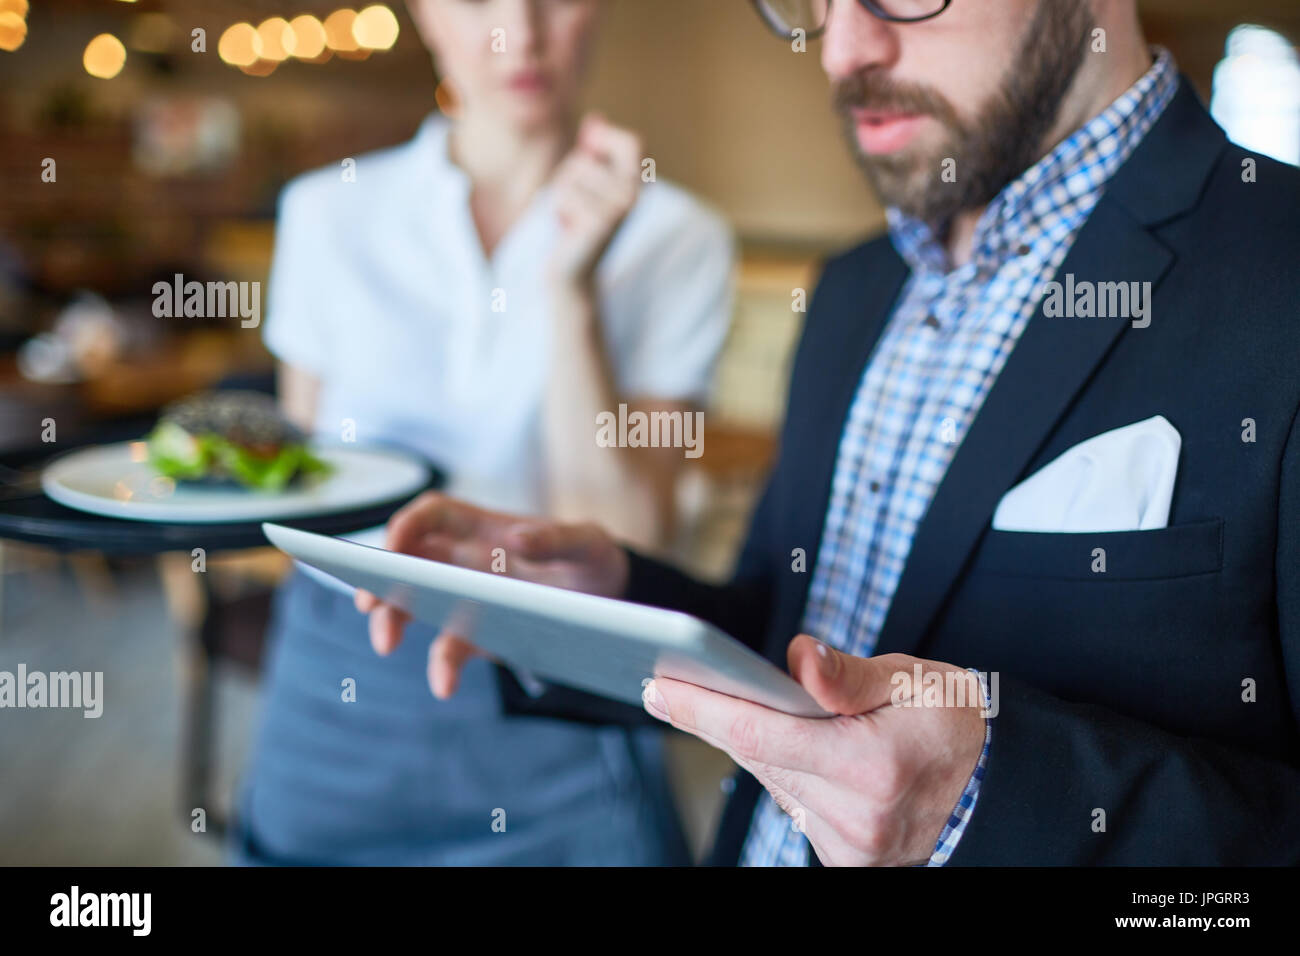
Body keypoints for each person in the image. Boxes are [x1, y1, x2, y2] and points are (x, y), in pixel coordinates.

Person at [360, 0, 1300, 865]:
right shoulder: (853, 291)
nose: (843, 48)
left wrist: (989, 804)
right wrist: (606, 604)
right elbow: (793, 643)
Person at [232, 0, 734, 865]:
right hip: (341, 672)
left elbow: (631, 540)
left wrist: (570, 287)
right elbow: (314, 486)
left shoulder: (678, 238)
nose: (520, 31)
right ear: (426, 16)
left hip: (553, 679)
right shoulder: (325, 214)